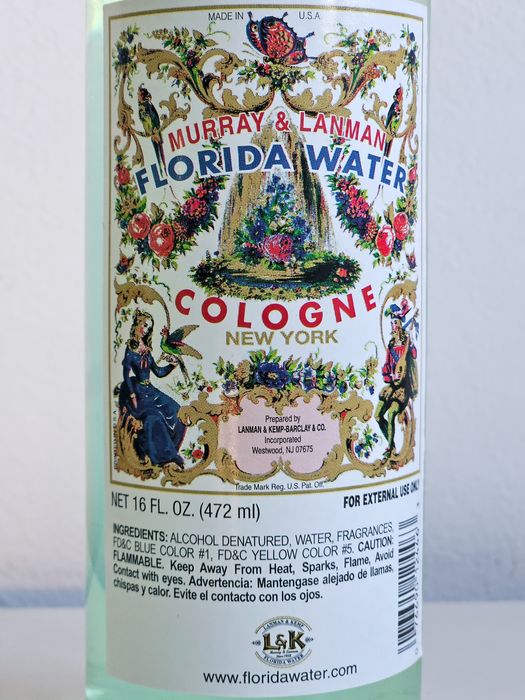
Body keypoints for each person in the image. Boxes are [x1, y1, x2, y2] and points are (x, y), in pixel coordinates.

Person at [119, 309, 186, 468]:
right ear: (137, 325)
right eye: (144, 325)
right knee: (154, 419)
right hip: (138, 394)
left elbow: (158, 372)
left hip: (151, 391)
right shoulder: (130, 350)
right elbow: (126, 375)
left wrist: (172, 365)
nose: (146, 330)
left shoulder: (147, 350)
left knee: (178, 412)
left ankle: (171, 450)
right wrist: (132, 395)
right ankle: (165, 457)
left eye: (149, 327)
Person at [375, 315, 418, 458]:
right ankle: (391, 442)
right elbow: (387, 365)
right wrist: (389, 376)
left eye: (396, 323)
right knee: (377, 415)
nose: (394, 326)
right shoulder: (391, 345)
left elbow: (414, 355)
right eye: (392, 323)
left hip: (403, 388)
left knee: (391, 413)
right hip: (392, 385)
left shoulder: (407, 343)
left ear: (400, 324)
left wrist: (411, 342)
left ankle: (389, 448)